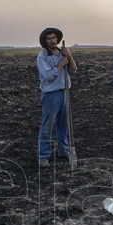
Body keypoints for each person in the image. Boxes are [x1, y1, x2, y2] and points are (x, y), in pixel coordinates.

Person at [36, 27, 77, 168]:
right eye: (49, 39)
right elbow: (49, 77)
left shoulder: (62, 52)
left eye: (54, 38)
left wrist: (69, 56)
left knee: (63, 125)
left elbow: (74, 69)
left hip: (65, 92)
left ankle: (63, 150)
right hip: (51, 95)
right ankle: (43, 156)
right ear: (45, 41)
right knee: (47, 126)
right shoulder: (42, 57)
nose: (53, 41)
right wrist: (61, 63)